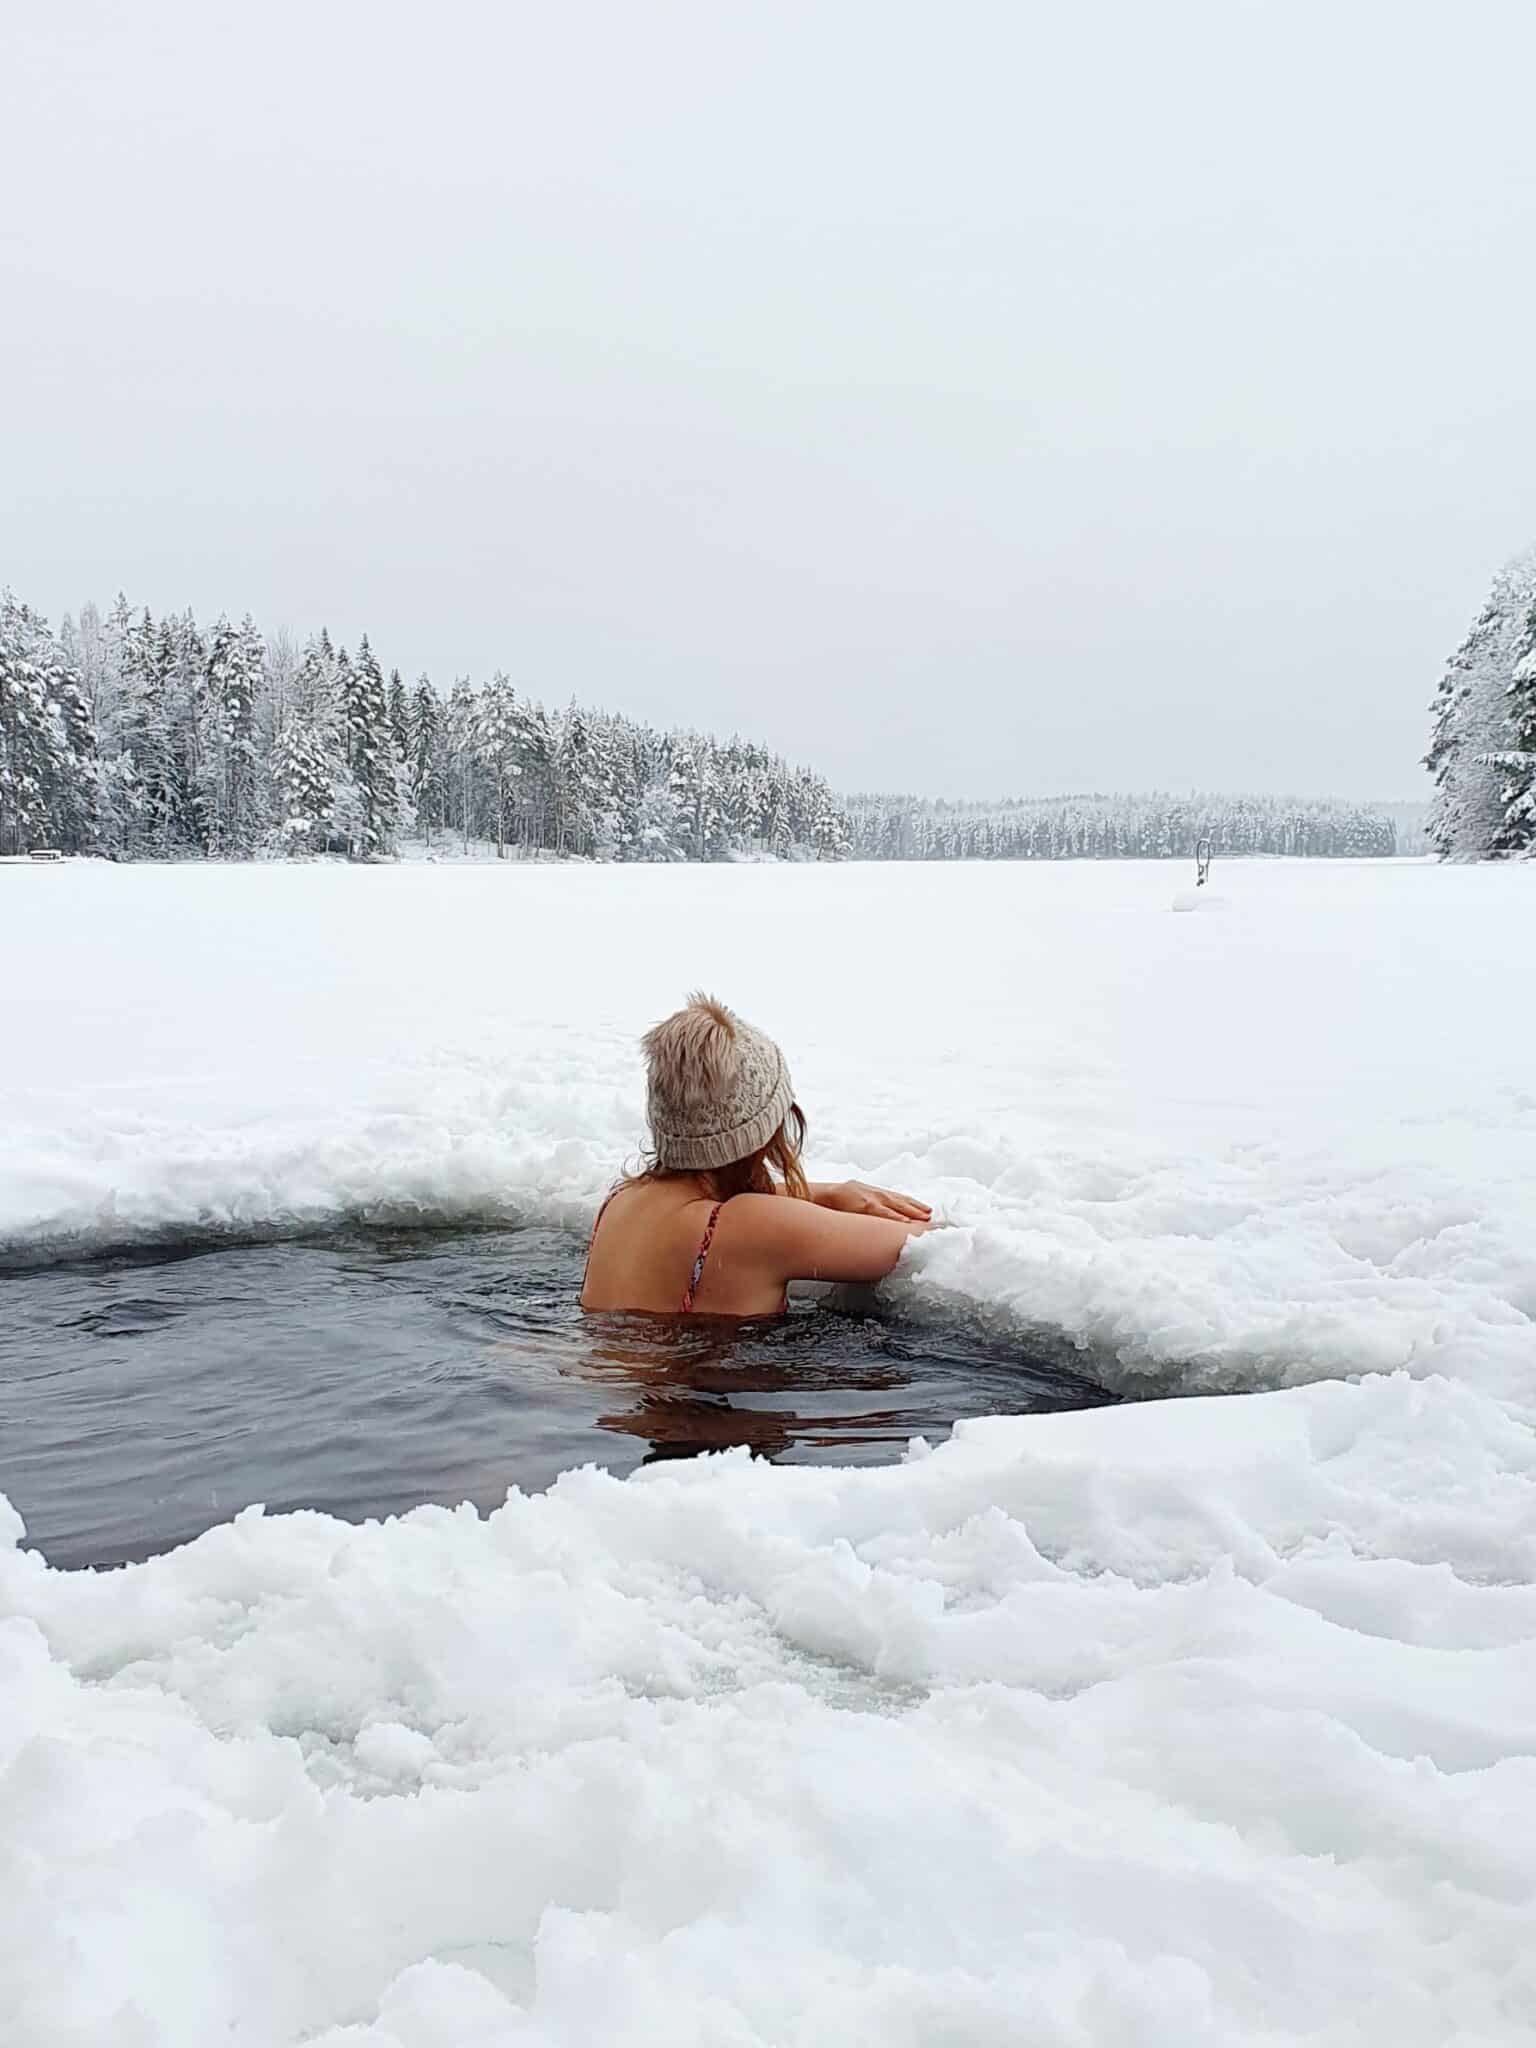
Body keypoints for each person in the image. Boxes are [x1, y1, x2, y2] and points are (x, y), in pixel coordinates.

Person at [581, 993, 932, 1317]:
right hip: (689, 1384)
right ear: (762, 1131)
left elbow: (725, 1205)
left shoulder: (622, 1200)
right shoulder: (749, 1227)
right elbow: (922, 1243)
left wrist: (827, 1192)